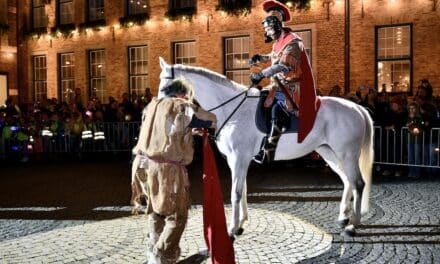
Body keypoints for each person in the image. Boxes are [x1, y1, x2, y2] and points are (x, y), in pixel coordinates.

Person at [132, 79, 216, 264]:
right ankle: (162, 255)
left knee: (156, 211)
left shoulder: (152, 105)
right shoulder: (181, 105)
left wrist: (188, 132)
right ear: (181, 94)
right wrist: (192, 106)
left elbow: (165, 131)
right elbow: (210, 120)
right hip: (166, 169)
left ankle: (153, 251)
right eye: (186, 95)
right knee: (177, 215)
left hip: (143, 165)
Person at [249, 0, 319, 164]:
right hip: (279, 84)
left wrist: (261, 74)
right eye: (266, 29)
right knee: (261, 99)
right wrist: (260, 58)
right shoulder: (277, 44)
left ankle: (268, 150)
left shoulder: (293, 41)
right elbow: (274, 57)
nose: (268, 32)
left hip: (293, 86)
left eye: (270, 28)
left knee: (276, 109)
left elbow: (284, 64)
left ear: (278, 25)